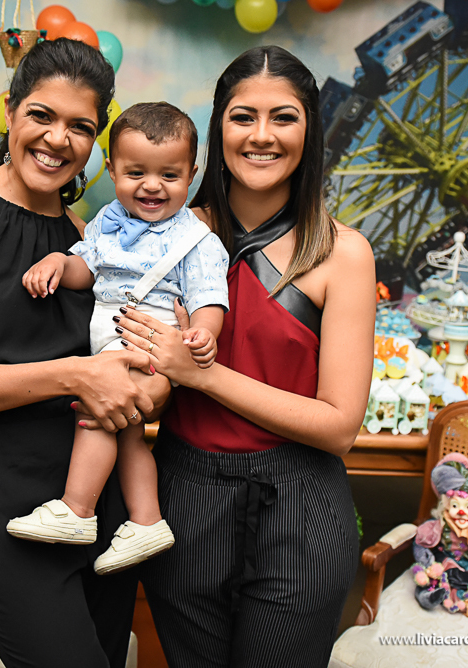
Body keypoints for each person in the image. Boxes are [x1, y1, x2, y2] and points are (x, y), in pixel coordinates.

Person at [0, 38, 156, 668]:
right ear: (10, 111)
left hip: (98, 505)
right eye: (42, 115)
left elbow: (121, 358)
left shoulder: (84, 239)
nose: (58, 139)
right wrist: (75, 375)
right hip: (9, 507)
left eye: (81, 127)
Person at [115, 46, 376, 667]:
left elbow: (339, 427)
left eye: (283, 117)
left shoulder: (343, 253)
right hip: (184, 498)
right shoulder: (164, 234)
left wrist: (200, 374)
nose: (262, 136)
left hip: (301, 509)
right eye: (242, 117)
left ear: (310, 131)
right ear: (218, 129)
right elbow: (131, 370)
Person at [8, 102, 230, 575]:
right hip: (112, 337)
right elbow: (86, 268)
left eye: (169, 175)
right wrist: (58, 263)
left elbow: (209, 297)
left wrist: (203, 332)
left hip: (147, 341)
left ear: (191, 174)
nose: (152, 185)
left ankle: (76, 510)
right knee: (128, 434)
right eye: (136, 173)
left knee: (96, 414)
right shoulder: (108, 220)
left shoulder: (198, 241)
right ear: (111, 170)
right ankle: (147, 521)